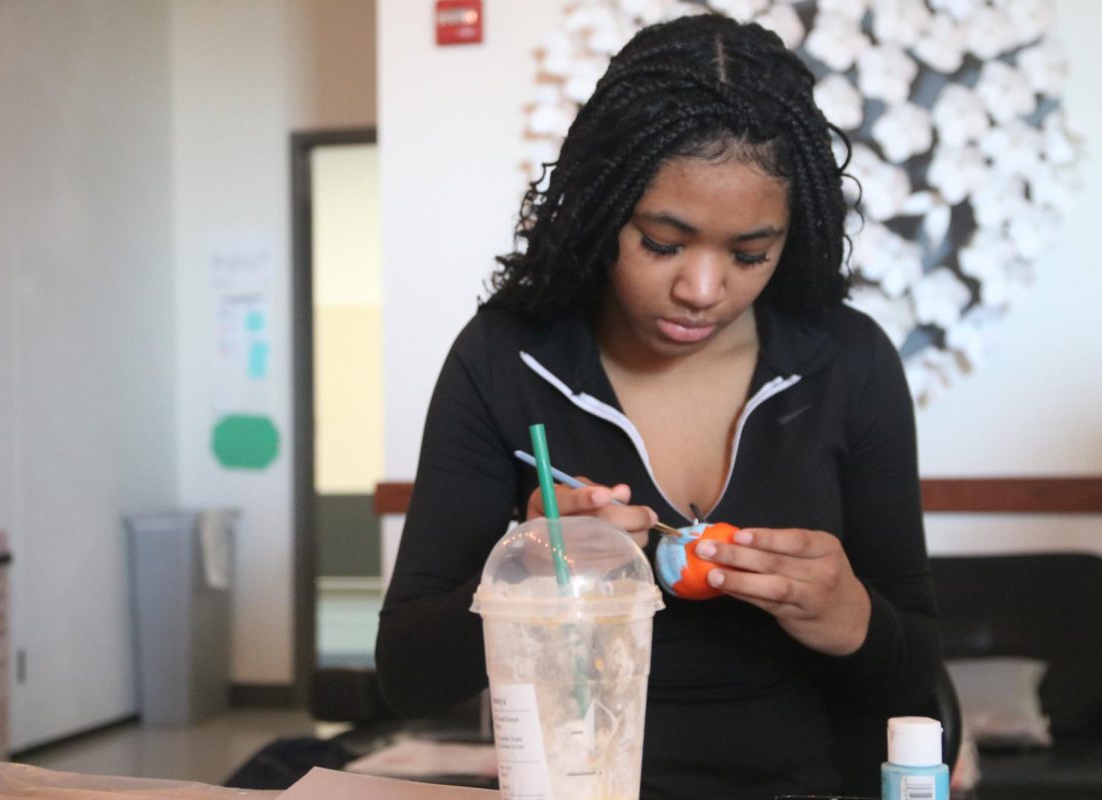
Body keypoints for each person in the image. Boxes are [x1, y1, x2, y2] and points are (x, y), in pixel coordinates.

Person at [376, 12, 941, 800]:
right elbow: (407, 675)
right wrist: (539, 574)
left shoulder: (847, 363)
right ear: (606, 209)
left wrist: (854, 618)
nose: (702, 291)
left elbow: (914, 682)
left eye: (750, 254)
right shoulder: (505, 358)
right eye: (664, 243)